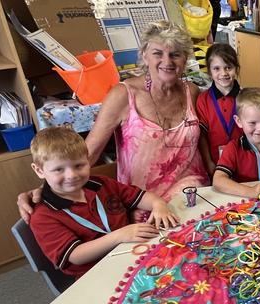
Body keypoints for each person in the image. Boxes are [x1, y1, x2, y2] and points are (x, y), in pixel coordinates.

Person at [17, 21, 209, 223]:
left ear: (185, 58)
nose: (167, 61)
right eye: (158, 53)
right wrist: (44, 190)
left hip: (194, 194)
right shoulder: (123, 95)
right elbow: (86, 154)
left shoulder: (192, 92)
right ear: (144, 55)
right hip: (143, 204)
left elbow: (207, 142)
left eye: (175, 54)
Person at [29, 127, 178, 279]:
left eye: (79, 165)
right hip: (96, 275)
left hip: (132, 254)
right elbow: (75, 255)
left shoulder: (102, 183)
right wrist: (119, 236)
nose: (72, 175)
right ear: (39, 170)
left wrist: (158, 205)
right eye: (59, 169)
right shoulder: (42, 216)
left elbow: (142, 197)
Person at [196, 43, 243, 175]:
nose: (223, 73)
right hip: (216, 162)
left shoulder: (246, 97)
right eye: (216, 68)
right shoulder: (203, 100)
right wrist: (208, 162)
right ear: (210, 71)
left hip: (244, 158)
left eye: (228, 67)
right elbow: (202, 137)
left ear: (236, 69)